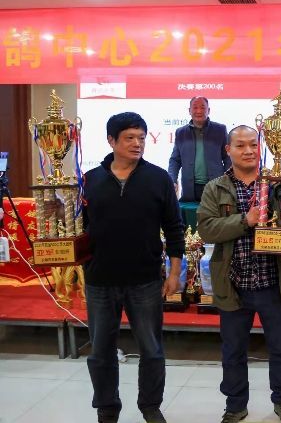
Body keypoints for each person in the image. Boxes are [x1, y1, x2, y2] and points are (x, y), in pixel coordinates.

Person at [197, 125, 281, 423]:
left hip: (274, 283)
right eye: (240, 145)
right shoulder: (215, 188)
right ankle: (235, 405)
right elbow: (206, 228)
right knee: (233, 351)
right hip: (233, 284)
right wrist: (244, 220)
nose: (248, 151)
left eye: (253, 145)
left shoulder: (279, 184)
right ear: (228, 150)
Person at [83, 112, 185, 423]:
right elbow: (78, 229)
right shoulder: (89, 180)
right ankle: (107, 408)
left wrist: (174, 273)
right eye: (129, 138)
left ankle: (150, 406)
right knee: (100, 352)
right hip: (100, 280)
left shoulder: (158, 178)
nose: (137, 143)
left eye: (141, 138)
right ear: (111, 141)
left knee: (152, 350)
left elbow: (174, 228)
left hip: (145, 280)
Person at [168, 96, 230, 202]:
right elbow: (175, 160)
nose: (199, 111)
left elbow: (228, 158)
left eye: (202, 107)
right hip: (190, 189)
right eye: (195, 107)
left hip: (216, 186)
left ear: (208, 110)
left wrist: (227, 180)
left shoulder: (220, 130)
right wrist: (172, 180)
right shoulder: (181, 132)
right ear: (189, 110)